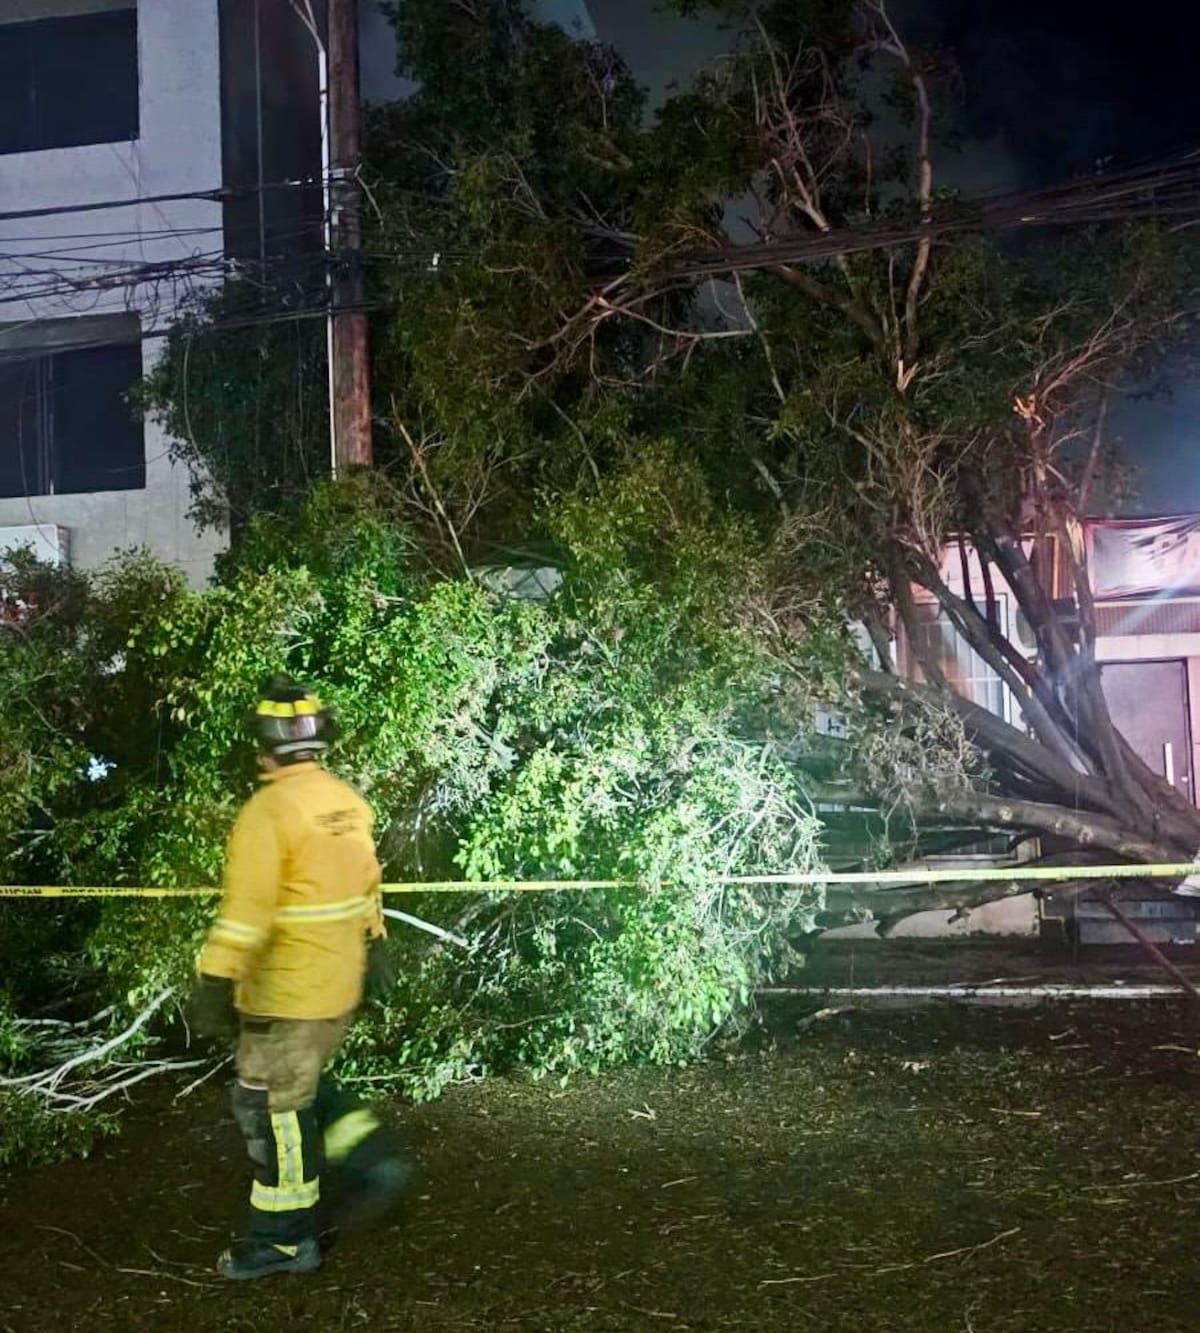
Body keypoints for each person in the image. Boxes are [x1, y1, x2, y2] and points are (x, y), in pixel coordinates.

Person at [189, 676, 410, 1281]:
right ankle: (373, 1155)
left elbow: (245, 912)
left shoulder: (269, 813)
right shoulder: (346, 804)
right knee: (303, 1086)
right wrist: (377, 949)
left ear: (262, 746)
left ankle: (284, 1240)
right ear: (318, 743)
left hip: (285, 993)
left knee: (270, 1110)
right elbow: (367, 892)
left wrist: (213, 980)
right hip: (336, 986)